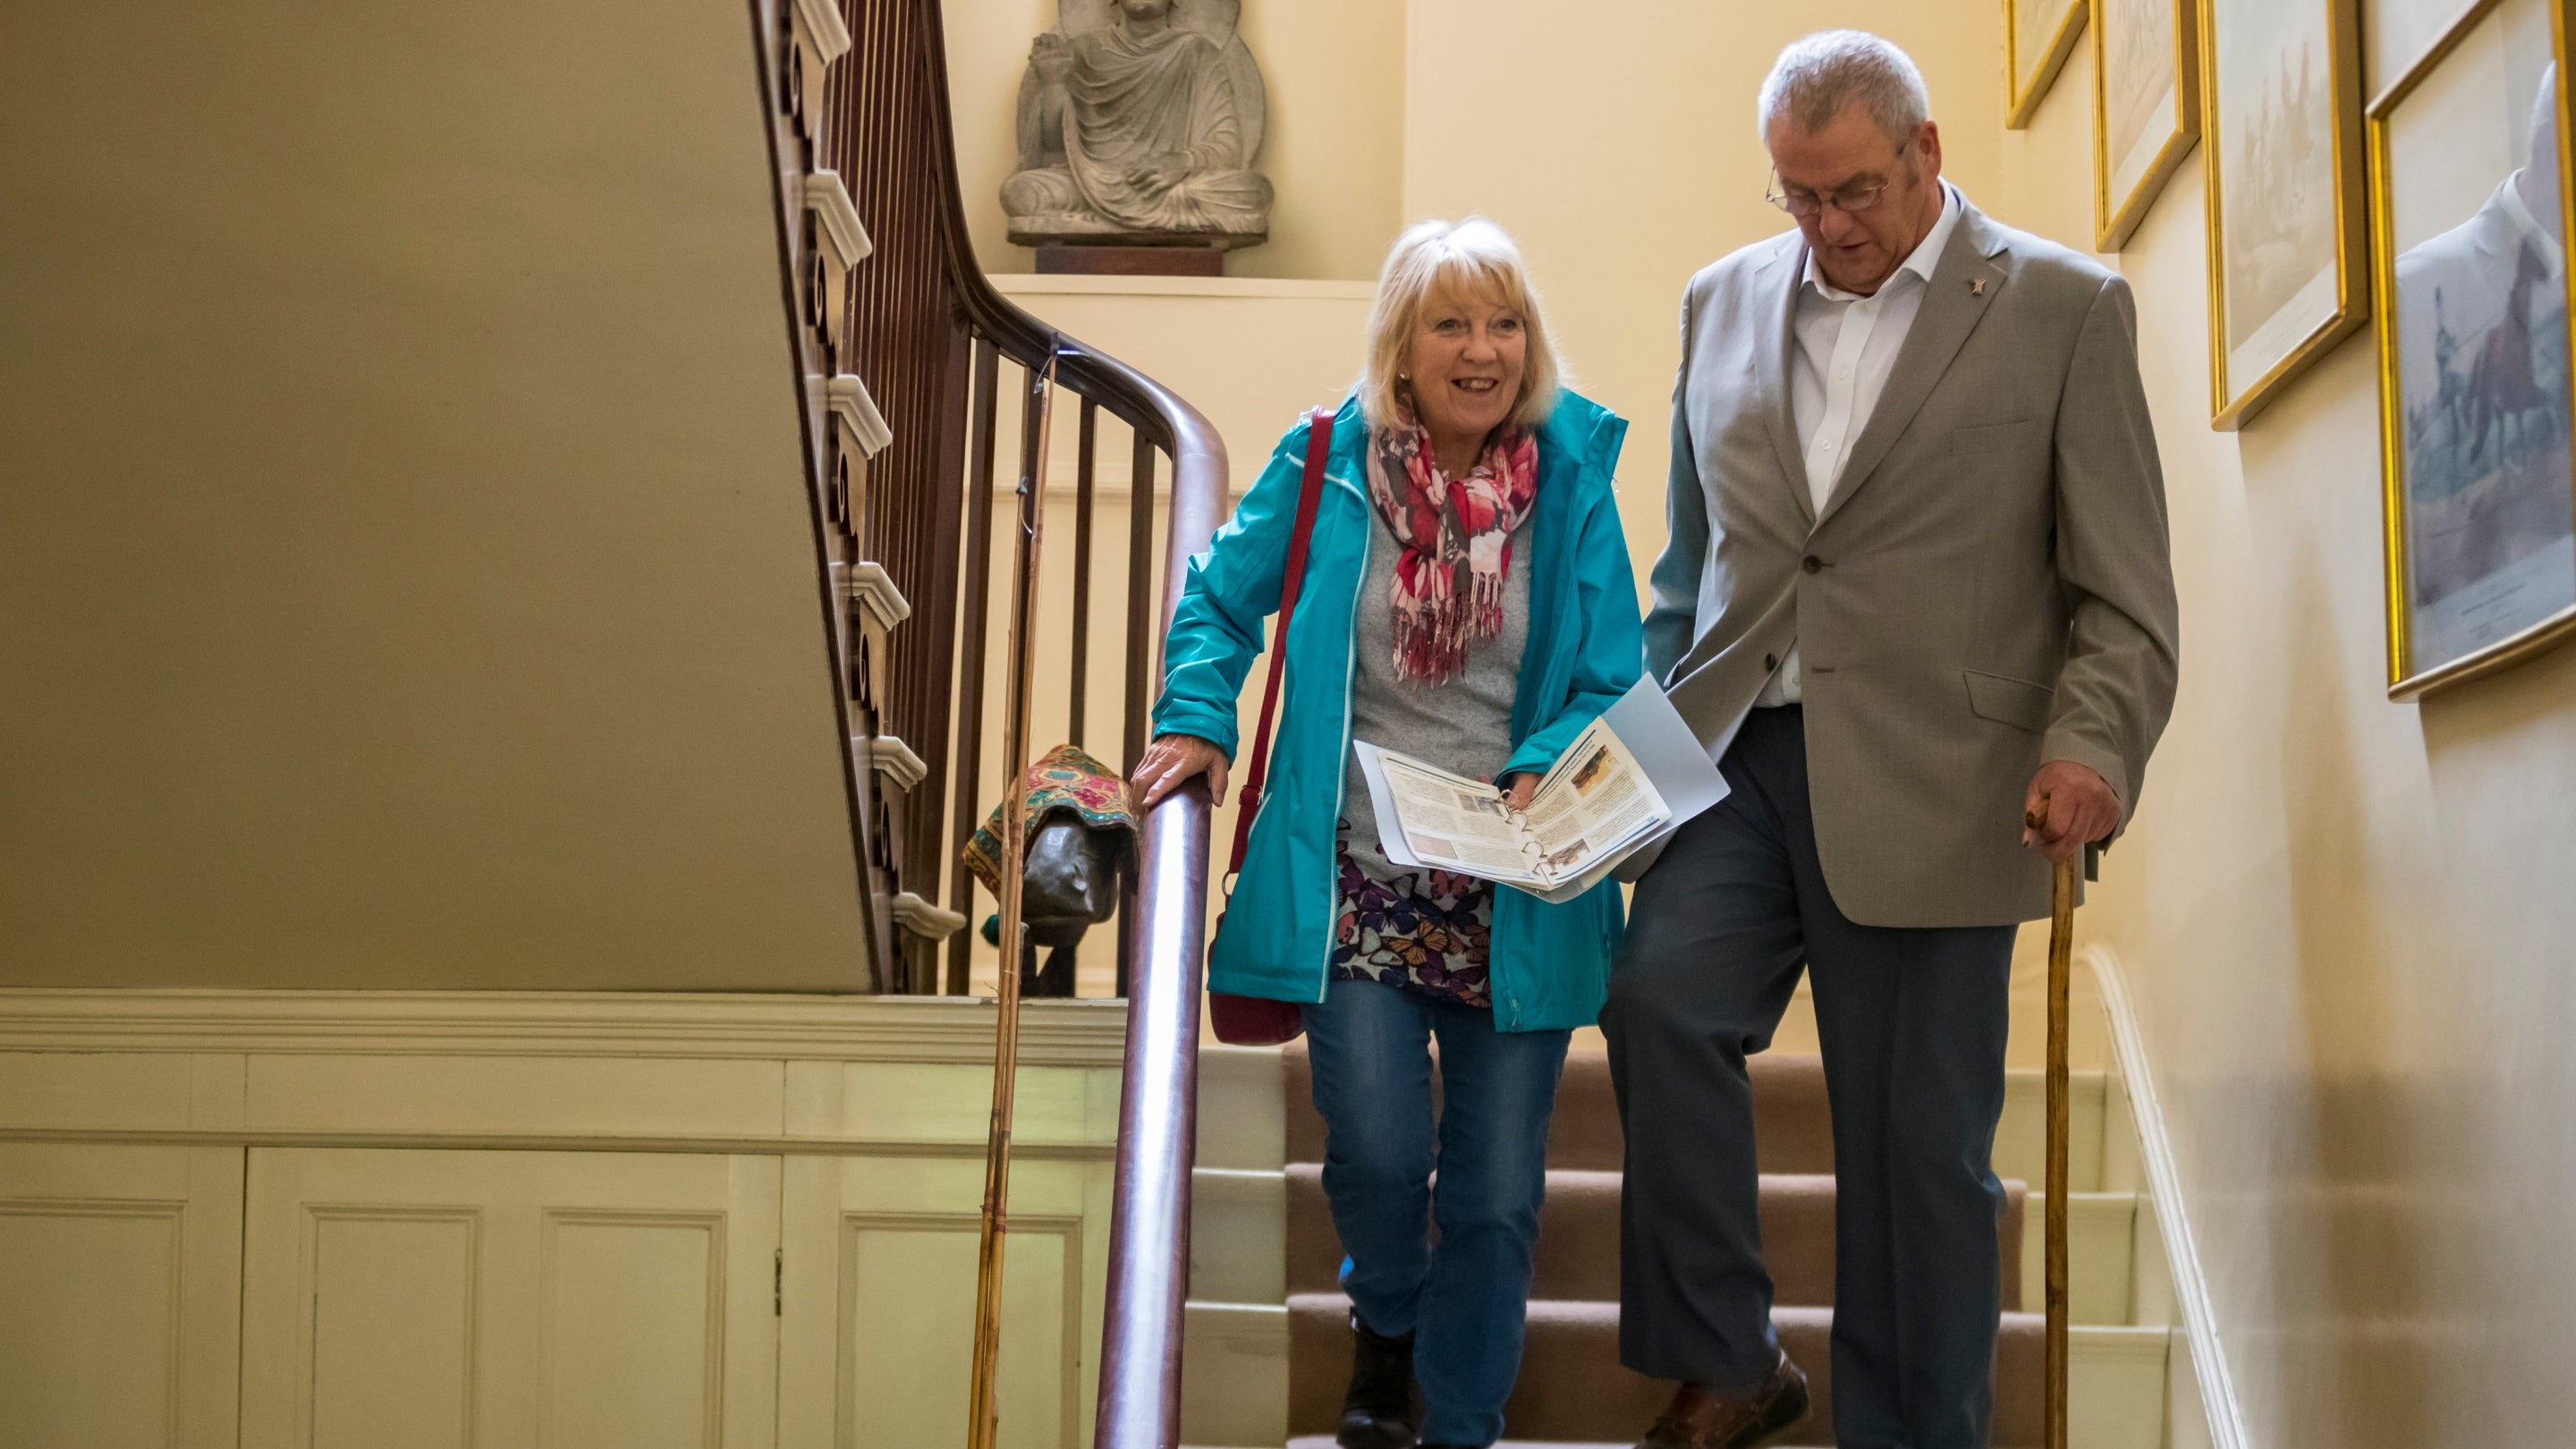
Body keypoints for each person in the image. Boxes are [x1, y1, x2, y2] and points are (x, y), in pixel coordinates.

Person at [1606, 32, 2180, 1449]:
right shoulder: (1720, 302)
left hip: (1949, 781)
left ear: (1927, 152)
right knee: (1658, 1006)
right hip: (1739, 757)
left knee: (1914, 1156)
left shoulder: (2061, 306)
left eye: (1854, 190)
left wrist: (2092, 750)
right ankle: (1730, 1358)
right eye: (1797, 199)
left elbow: (2124, 592)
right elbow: (1697, 575)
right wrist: (1628, 756)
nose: (1829, 228)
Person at [1132, 217, 1644, 1449]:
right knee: (1372, 1147)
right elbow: (1214, 597)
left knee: (1500, 1194)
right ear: (1402, 351)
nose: (1483, 350)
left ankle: (1463, 1418)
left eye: (1505, 322)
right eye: (1452, 324)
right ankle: (1390, 1322)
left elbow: (1613, 677)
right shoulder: (1326, 464)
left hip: (1517, 890)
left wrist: (1535, 765)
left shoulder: (1572, 483)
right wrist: (1198, 715)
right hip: (1356, 877)